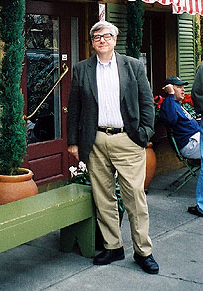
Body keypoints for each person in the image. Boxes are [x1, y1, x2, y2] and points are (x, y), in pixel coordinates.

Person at [67, 20, 159, 274]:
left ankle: (143, 251)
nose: (102, 40)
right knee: (103, 197)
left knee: (135, 198)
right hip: (95, 141)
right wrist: (73, 141)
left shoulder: (133, 66)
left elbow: (147, 103)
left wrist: (144, 133)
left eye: (107, 36)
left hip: (127, 140)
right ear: (93, 42)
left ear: (115, 40)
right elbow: (74, 108)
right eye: (97, 37)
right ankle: (113, 246)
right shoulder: (82, 69)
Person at [160, 76, 203, 217]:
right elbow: (171, 120)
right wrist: (171, 94)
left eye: (183, 86)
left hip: (196, 140)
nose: (183, 89)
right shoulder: (169, 103)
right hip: (190, 145)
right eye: (179, 87)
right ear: (170, 88)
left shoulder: (179, 105)